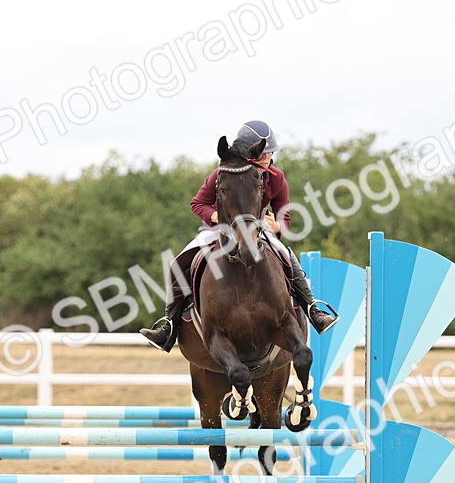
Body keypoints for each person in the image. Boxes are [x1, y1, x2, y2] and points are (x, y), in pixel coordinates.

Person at [140, 120, 339, 352]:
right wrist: (216, 217)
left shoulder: (276, 177)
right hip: (217, 229)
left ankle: (313, 309)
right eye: (263, 154)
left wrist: (276, 227)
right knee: (179, 263)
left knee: (286, 254)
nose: (268, 159)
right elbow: (198, 203)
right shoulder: (223, 173)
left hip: (256, 229)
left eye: (270, 153)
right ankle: (169, 325)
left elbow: (285, 218)